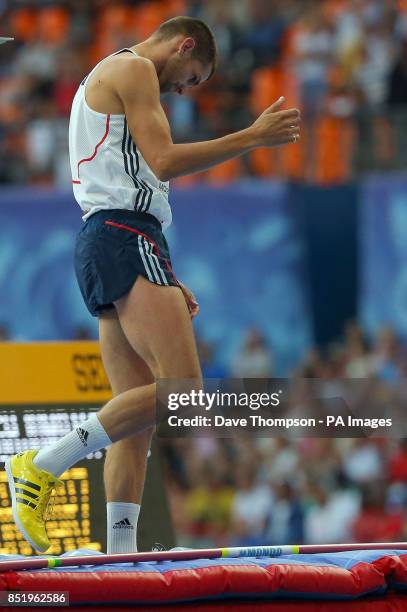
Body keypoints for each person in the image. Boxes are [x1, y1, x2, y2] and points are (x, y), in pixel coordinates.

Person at [5, 16, 301, 554]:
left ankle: (122, 555)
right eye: (192, 77)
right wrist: (252, 138)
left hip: (108, 239)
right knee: (185, 393)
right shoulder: (135, 67)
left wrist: (167, 274)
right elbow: (164, 161)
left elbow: (138, 176)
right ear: (185, 45)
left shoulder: (111, 78)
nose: (184, 88)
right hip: (124, 234)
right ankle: (43, 463)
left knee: (133, 421)